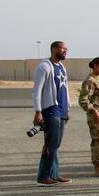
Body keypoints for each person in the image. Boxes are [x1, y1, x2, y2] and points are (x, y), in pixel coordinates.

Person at [31, 40, 71, 185]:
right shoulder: (44, 67)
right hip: (51, 110)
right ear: (54, 49)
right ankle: (44, 176)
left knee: (56, 144)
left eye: (66, 49)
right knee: (50, 144)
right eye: (62, 49)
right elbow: (37, 90)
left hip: (61, 110)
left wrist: (67, 109)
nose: (65, 51)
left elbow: (65, 88)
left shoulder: (61, 67)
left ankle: (54, 174)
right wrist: (38, 111)